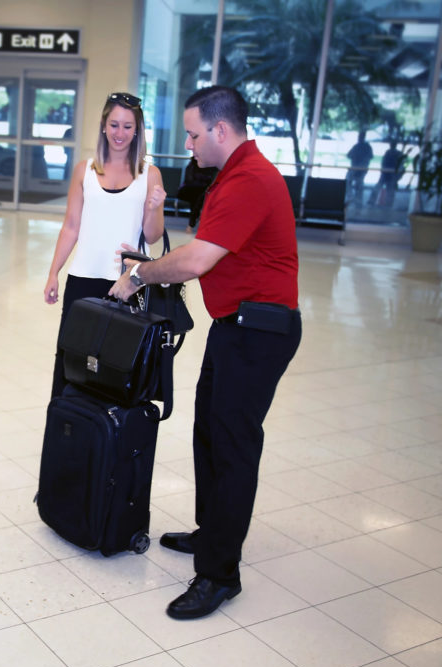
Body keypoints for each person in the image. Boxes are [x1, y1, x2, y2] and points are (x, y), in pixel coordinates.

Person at [109, 85, 302, 620]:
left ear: (221, 129)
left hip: (259, 331)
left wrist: (139, 275)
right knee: (209, 436)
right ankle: (210, 533)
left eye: (194, 134)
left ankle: (220, 575)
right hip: (234, 324)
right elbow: (205, 250)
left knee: (234, 447)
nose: (189, 143)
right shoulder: (236, 174)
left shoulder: (250, 179)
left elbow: (196, 261)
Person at [44, 91, 167, 398]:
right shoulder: (85, 170)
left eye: (128, 126)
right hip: (83, 279)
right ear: (103, 125)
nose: (120, 133)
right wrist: (53, 272)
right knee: (71, 359)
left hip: (126, 283)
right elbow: (71, 226)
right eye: (114, 125)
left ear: (137, 129)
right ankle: (70, 432)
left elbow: (152, 236)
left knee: (117, 365)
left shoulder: (149, 174)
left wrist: (153, 208)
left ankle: (108, 438)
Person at [370, 141, 405, 208]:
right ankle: (373, 201)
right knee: (381, 187)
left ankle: (388, 203)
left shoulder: (396, 153)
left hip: (391, 174)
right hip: (386, 173)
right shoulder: (389, 152)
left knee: (389, 189)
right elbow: (384, 162)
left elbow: (400, 165)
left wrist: (397, 175)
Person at [345, 130, 373, 205]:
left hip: (361, 169)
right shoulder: (356, 146)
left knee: (359, 184)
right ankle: (351, 197)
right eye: (359, 136)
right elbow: (348, 155)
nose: (359, 138)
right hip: (354, 168)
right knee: (348, 181)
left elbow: (370, 157)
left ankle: (358, 200)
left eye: (361, 136)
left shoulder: (366, 147)